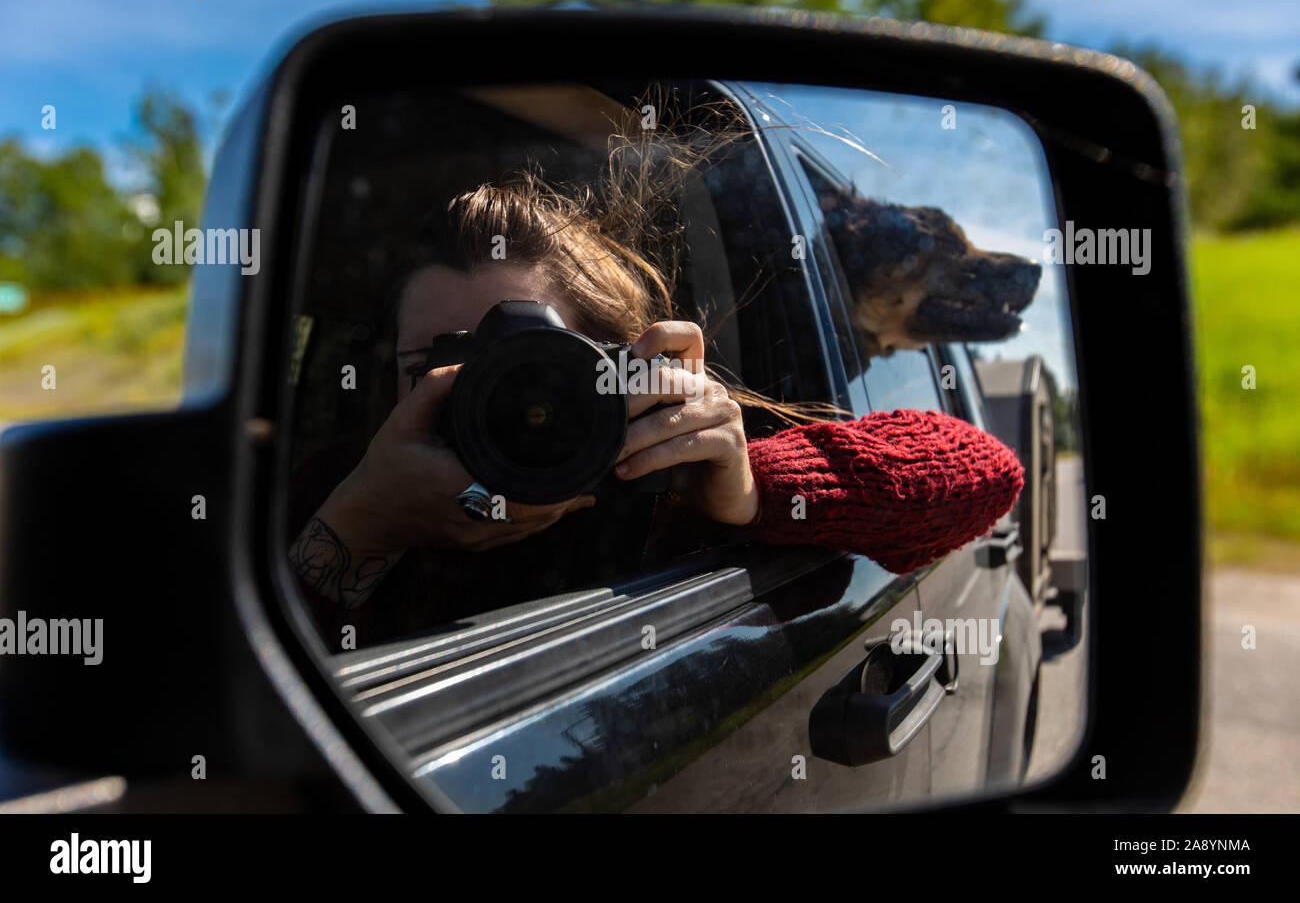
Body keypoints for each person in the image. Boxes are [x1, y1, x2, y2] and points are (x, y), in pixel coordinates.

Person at [288, 106, 1024, 645]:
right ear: (383, 380)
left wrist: (754, 488)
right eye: (436, 368)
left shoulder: (658, 493)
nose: (499, 400)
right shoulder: (321, 489)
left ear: (621, 370)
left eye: (536, 369)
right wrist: (360, 523)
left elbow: (987, 472)